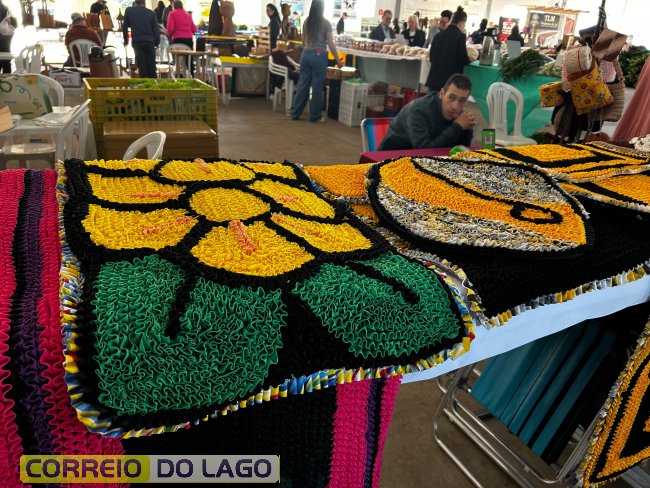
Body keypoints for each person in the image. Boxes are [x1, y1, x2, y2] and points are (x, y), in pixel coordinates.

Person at [378, 74, 475, 150]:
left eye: (462, 100)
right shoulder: (418, 110)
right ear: (442, 94)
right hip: (391, 158)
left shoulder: (459, 113)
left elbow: (461, 149)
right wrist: (458, 127)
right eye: (451, 97)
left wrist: (467, 129)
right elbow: (424, 151)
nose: (455, 106)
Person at [290, 0, 343, 122]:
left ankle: (295, 112)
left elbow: (303, 42)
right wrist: (338, 61)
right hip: (319, 55)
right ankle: (315, 116)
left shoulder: (306, 22)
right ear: (322, 8)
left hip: (306, 54)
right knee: (317, 87)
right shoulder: (326, 23)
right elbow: (330, 44)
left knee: (302, 84)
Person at [425, 6, 470, 93]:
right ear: (462, 24)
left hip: (433, 80)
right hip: (449, 83)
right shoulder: (460, 36)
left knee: (432, 101)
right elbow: (463, 59)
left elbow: (431, 58)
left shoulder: (438, 36)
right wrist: (470, 59)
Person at [123, 0, 160, 78]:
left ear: (135, 2)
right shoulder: (151, 13)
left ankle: (144, 83)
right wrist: (157, 42)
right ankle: (154, 83)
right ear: (144, 3)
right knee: (152, 66)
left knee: (142, 66)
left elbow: (125, 26)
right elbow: (156, 30)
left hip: (138, 41)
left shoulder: (129, 11)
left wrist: (126, 41)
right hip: (150, 41)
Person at [0, 0, 16, 73]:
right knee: (6, 62)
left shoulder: (4, 8)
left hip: (3, 38)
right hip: (6, 37)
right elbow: (14, 23)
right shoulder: (6, 8)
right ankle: (7, 77)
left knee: (4, 61)